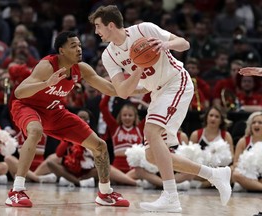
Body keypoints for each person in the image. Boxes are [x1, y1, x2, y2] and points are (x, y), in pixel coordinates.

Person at [89, 5, 232, 212]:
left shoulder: (144, 30)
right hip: (157, 93)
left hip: (176, 81)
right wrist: (138, 68)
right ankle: (214, 174)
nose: (96, 32)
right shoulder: (109, 56)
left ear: (111, 25)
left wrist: (166, 44)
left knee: (151, 131)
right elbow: (122, 91)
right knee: (152, 155)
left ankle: (171, 196)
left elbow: (184, 43)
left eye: (98, 26)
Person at [5, 31, 130, 208]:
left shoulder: (82, 69)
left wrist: (140, 88)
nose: (79, 49)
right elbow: (19, 93)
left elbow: (110, 88)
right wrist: (47, 83)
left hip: (54, 112)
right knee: (36, 131)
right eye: (73, 46)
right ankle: (16, 191)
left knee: (100, 145)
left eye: (79, 45)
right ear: (61, 51)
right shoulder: (47, 66)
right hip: (27, 107)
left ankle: (105, 193)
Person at [232, 111, 262, 192]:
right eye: (254, 122)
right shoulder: (244, 141)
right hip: (247, 175)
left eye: (260, 122)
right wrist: (246, 166)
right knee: (235, 174)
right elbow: (235, 163)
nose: (256, 125)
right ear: (250, 126)